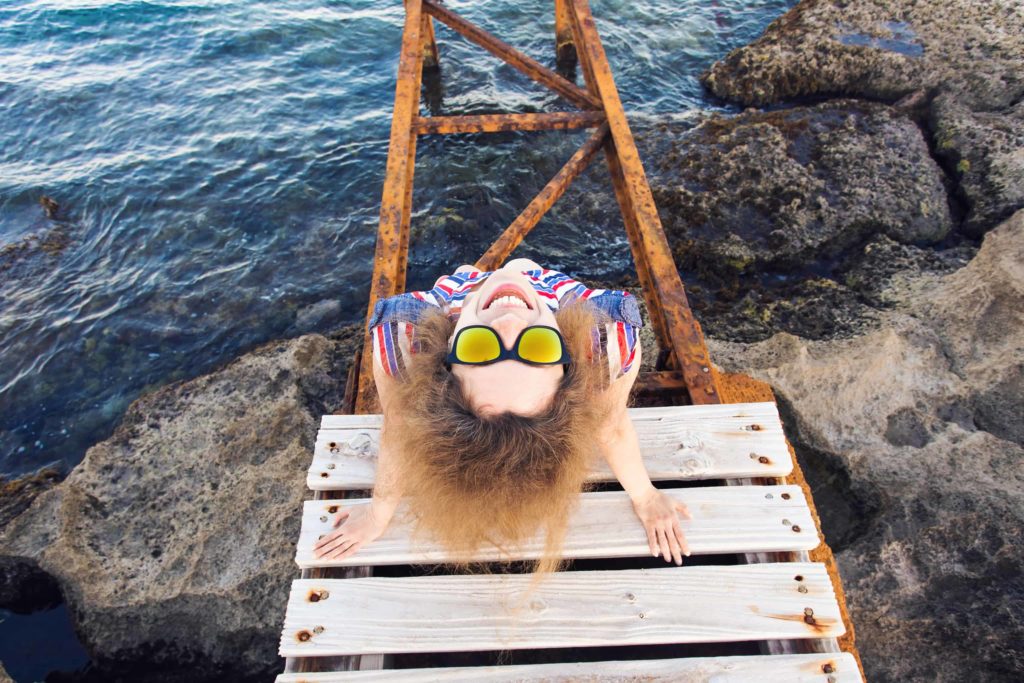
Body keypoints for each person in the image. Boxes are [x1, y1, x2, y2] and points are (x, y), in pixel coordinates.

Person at [313, 258, 692, 580]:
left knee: (467, 272)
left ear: (441, 364)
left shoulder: (405, 338)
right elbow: (609, 425)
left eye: (478, 350)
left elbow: (397, 426)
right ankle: (519, 275)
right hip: (547, 303)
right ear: (570, 368)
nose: (510, 325)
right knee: (523, 269)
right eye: (539, 348)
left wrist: (379, 514)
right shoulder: (605, 338)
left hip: (466, 305)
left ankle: (473, 281)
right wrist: (645, 496)